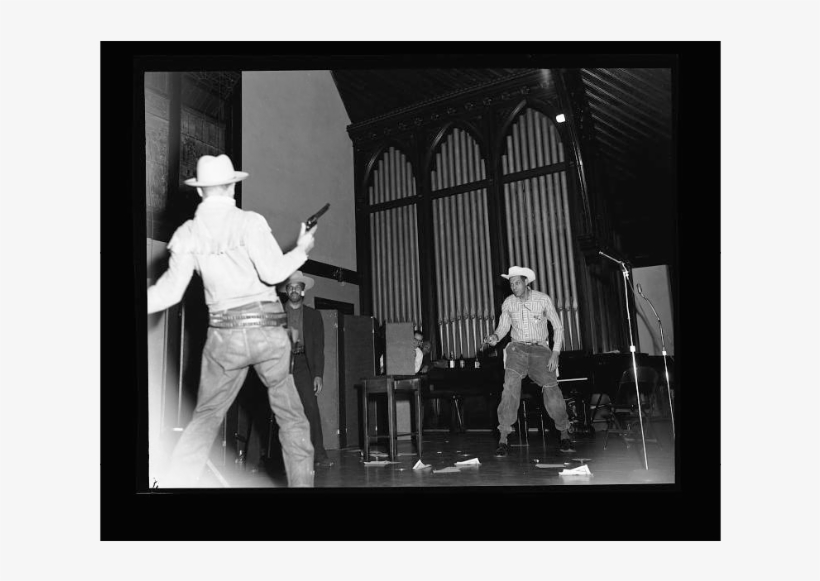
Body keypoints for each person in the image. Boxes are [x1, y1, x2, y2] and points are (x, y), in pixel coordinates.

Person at [147, 154, 317, 487]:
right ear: (232, 188)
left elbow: (168, 293)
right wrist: (301, 248)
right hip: (268, 331)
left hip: (224, 337)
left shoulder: (188, 233)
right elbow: (272, 272)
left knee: (205, 419)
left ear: (200, 193)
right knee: (292, 418)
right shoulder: (249, 221)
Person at [483, 266, 575, 456]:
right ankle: (503, 438)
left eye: (517, 282)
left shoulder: (543, 299)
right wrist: (494, 337)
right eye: (511, 283)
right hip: (517, 348)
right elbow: (502, 328)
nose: (514, 286)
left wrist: (555, 353)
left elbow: (558, 327)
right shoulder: (508, 303)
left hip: (540, 349)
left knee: (551, 388)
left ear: (526, 282)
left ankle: (564, 434)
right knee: (509, 387)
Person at [279, 271, 334, 468]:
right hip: (281, 365)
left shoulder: (313, 315)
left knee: (310, 408)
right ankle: (271, 458)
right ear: (287, 290)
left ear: (303, 291)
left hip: (304, 364)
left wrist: (318, 374)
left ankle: (319, 454)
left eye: (297, 286)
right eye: (290, 286)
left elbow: (318, 348)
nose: (294, 289)